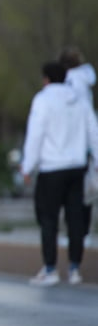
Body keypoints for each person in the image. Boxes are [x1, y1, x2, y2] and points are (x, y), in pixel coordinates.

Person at [21, 61, 98, 286]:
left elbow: (36, 135)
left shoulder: (42, 100)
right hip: (76, 167)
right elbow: (93, 131)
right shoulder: (80, 101)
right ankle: (75, 268)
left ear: (46, 79)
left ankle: (50, 268)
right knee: (75, 218)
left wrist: (28, 166)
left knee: (48, 219)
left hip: (51, 169)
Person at [59, 46, 96, 243]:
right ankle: (84, 232)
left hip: (72, 144)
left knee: (72, 192)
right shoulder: (84, 81)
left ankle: (76, 233)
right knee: (84, 192)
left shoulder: (70, 83)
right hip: (84, 145)